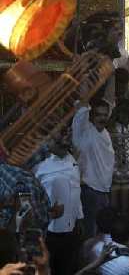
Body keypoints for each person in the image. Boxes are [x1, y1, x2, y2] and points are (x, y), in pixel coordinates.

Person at [33, 129, 83, 275]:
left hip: (71, 230)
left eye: (66, 135)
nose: (65, 140)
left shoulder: (72, 160)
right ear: (47, 141)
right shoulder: (39, 165)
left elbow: (76, 188)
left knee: (68, 268)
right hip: (49, 232)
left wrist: (80, 218)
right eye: (58, 138)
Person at [72, 99, 115, 238]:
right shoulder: (84, 131)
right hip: (89, 190)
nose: (102, 118)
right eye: (98, 115)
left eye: (105, 115)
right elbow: (82, 107)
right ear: (91, 116)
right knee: (90, 233)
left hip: (104, 190)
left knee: (102, 234)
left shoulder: (105, 134)